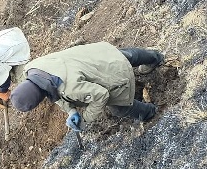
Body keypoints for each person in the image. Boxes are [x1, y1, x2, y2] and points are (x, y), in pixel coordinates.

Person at [9, 42, 165, 130]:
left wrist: (85, 118)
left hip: (107, 73)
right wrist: (70, 111)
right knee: (124, 55)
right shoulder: (33, 69)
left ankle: (150, 113)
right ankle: (155, 57)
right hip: (93, 55)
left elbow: (102, 95)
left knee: (119, 107)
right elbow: (53, 91)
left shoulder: (71, 88)